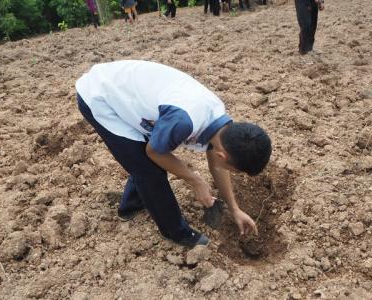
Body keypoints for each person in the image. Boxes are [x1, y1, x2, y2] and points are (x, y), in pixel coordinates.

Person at [75, 60, 272, 248]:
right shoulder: (183, 122)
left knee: (144, 161)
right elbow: (154, 152)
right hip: (100, 97)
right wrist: (196, 181)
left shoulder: (222, 127)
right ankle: (175, 232)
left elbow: (217, 167)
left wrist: (235, 209)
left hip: (131, 93)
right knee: (149, 170)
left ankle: (131, 205)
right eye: (234, 169)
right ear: (224, 156)